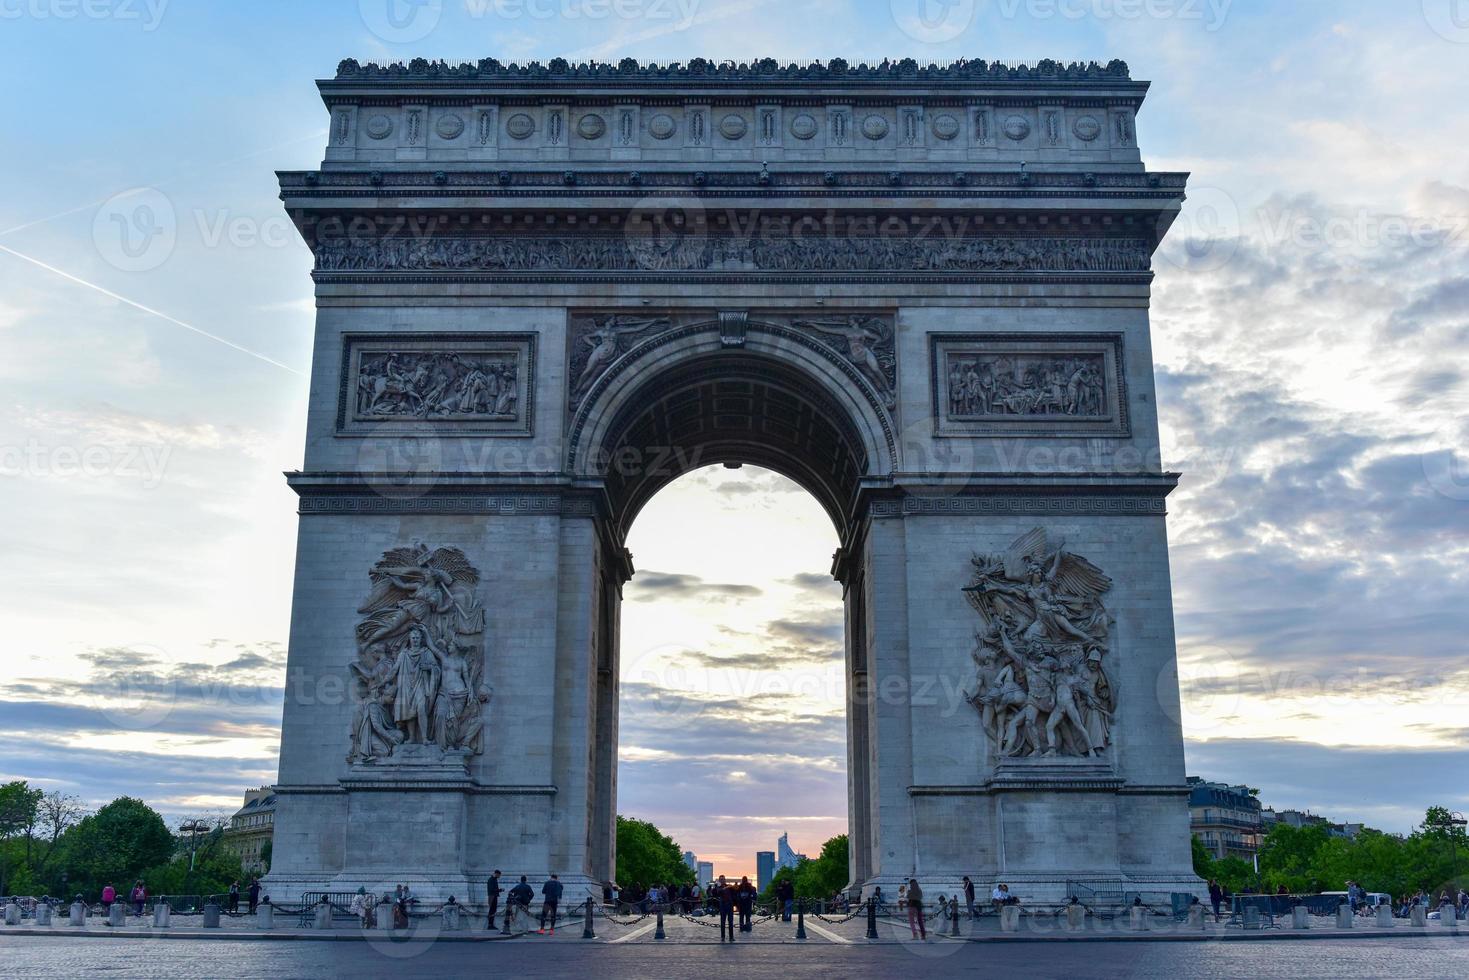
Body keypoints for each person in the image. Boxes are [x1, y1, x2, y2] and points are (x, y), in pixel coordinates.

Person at [715, 875, 736, 943]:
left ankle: (731, 937)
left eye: (723, 879)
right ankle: (723, 937)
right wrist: (727, 887)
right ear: (719, 880)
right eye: (721, 879)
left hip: (729, 905)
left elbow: (735, 891)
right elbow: (718, 892)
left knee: (730, 922)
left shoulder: (729, 887)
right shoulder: (719, 887)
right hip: (723, 906)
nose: (722, 880)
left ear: (725, 880)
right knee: (723, 922)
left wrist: (734, 886)